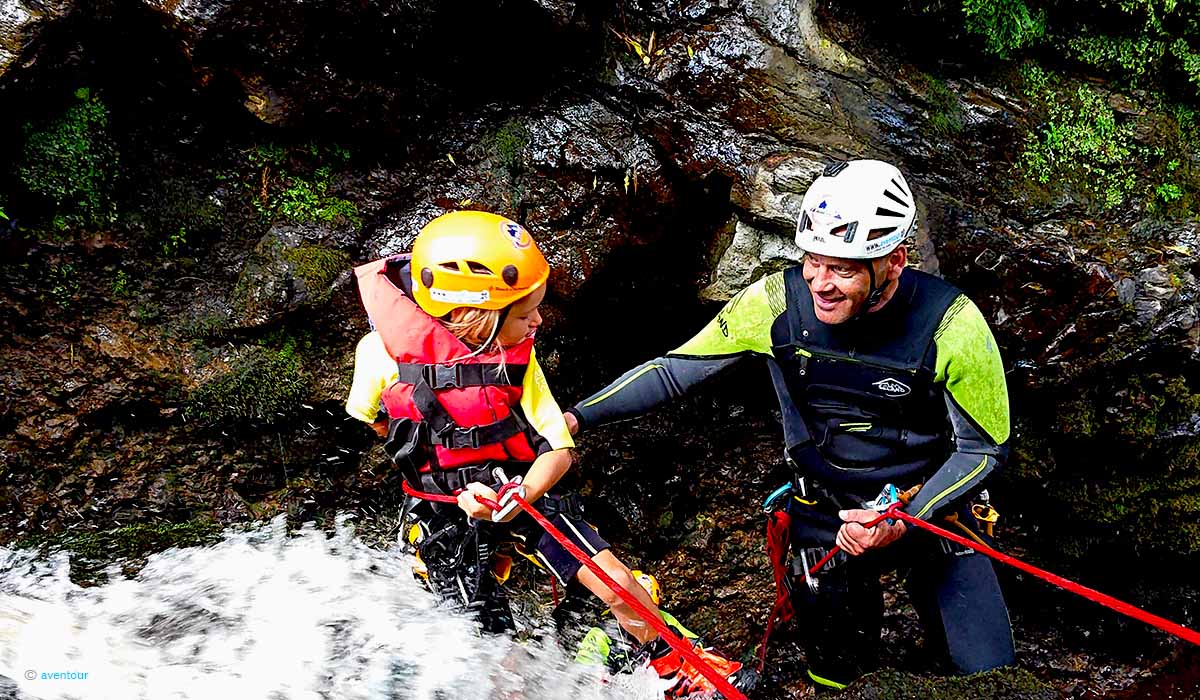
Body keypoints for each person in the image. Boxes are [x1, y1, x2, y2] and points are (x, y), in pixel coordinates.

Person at [565, 159, 1016, 689]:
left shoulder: (952, 324)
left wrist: (905, 517)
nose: (820, 284)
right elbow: (675, 371)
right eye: (812, 262)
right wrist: (575, 416)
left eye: (843, 269)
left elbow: (983, 448)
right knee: (833, 680)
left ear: (894, 261)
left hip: (929, 509)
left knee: (989, 679)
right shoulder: (777, 304)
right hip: (824, 512)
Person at [344, 210, 746, 697]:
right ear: (476, 315)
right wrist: (441, 477)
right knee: (483, 642)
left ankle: (669, 660)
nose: (538, 320)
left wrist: (522, 490)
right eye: (525, 312)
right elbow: (375, 418)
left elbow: (558, 447)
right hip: (441, 511)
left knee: (616, 582)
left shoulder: (518, 359)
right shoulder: (381, 354)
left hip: (523, 491)